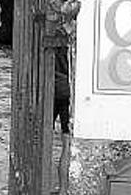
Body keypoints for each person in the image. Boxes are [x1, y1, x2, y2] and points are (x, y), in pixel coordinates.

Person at [54, 46, 71, 194]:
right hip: (69, 92)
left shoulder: (50, 35)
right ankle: (63, 190)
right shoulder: (77, 40)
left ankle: (36, 182)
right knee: (67, 144)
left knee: (39, 141)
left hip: (50, 88)